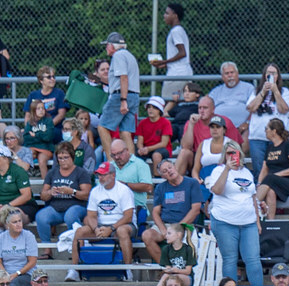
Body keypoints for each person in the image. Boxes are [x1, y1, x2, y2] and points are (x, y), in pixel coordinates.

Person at [206, 140, 262, 286]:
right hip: (225, 221)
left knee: (254, 259)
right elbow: (217, 190)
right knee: (230, 259)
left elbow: (253, 197)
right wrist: (226, 169)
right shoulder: (218, 170)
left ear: (240, 154)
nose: (231, 156)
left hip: (249, 222)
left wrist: (257, 220)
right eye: (228, 153)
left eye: (234, 152)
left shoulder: (246, 172)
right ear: (224, 155)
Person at [68, 161, 136, 280]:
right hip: (100, 225)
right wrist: (96, 229)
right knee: (80, 232)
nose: (101, 177)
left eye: (104, 175)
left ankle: (127, 269)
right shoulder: (95, 191)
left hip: (122, 224)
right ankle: (75, 270)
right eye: (99, 175)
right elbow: (91, 215)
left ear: (113, 175)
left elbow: (128, 216)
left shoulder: (124, 190)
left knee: (122, 231)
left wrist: (111, 228)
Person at [142, 162, 202, 262]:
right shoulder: (160, 188)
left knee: (179, 238)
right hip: (166, 224)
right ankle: (166, 266)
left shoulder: (192, 183)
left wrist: (178, 227)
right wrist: (163, 229)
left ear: (175, 167)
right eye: (165, 171)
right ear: (162, 176)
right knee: (147, 235)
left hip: (186, 224)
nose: (169, 171)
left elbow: (196, 209)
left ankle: (180, 267)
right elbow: (155, 212)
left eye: (170, 167)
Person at [35, 144, 91, 248]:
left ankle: (75, 247)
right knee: (41, 216)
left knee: (70, 216)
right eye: (60, 158)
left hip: (77, 206)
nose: (63, 160)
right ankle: (47, 248)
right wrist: (50, 192)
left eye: (66, 157)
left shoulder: (81, 172)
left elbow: (86, 195)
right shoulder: (52, 173)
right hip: (56, 208)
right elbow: (43, 196)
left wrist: (72, 191)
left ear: (72, 157)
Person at [97, 32, 141, 160]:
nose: (106, 48)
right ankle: (132, 164)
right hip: (134, 96)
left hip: (121, 96)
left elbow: (123, 77)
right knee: (125, 132)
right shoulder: (130, 56)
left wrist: (123, 100)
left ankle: (111, 161)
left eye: (107, 45)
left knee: (102, 127)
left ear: (112, 46)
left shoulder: (118, 56)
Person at [246, 63, 289, 181]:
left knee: (279, 169)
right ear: (264, 75)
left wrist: (275, 91)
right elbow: (251, 108)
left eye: (273, 73)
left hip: (279, 138)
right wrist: (263, 92)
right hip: (258, 137)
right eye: (268, 73)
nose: (271, 75)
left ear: (278, 76)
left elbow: (284, 110)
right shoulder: (256, 91)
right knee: (259, 171)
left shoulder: (284, 92)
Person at [175, 95, 242, 177]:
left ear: (213, 109)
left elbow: (236, 146)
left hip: (222, 159)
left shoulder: (225, 122)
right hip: (198, 158)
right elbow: (185, 146)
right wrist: (191, 125)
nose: (201, 111)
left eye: (205, 108)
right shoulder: (191, 122)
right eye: (200, 108)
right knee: (184, 152)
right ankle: (175, 182)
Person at [255, 119, 289, 219]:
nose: (265, 131)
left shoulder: (288, 145)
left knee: (270, 177)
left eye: (266, 128)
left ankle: (252, 205)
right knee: (270, 192)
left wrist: (278, 175)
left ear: (274, 131)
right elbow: (264, 169)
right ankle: (270, 223)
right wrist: (259, 184)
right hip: (273, 183)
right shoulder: (270, 148)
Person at [150, 4, 191, 100]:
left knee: (167, 101)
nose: (164, 16)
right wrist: (165, 65)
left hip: (176, 74)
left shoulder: (176, 31)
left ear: (175, 16)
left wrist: (164, 61)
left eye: (167, 13)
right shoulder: (179, 30)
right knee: (179, 102)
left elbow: (182, 53)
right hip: (182, 72)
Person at [208, 61, 254, 137]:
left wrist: (247, 123)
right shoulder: (216, 91)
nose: (230, 75)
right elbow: (206, 106)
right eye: (227, 73)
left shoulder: (249, 88)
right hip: (220, 129)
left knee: (247, 136)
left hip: (243, 129)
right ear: (222, 77)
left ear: (237, 74)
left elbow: (255, 108)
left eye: (232, 72)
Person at [0, 209, 38, 286]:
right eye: (14, 222)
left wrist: (17, 273)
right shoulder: (1, 237)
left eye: (19, 221)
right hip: (5, 273)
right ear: (7, 224)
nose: (18, 224)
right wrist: (4, 274)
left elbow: (32, 262)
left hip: (26, 274)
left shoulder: (28, 236)